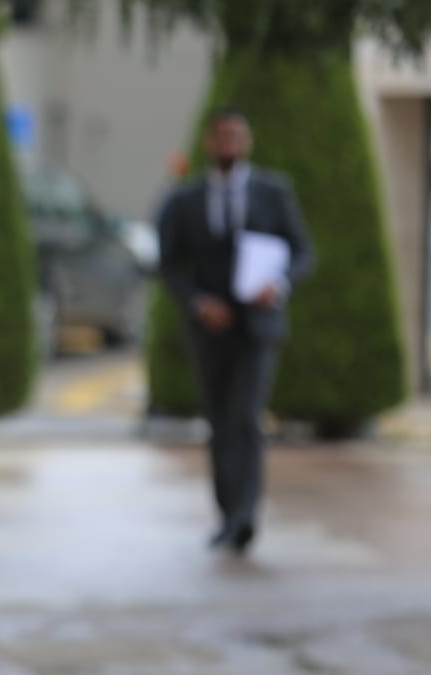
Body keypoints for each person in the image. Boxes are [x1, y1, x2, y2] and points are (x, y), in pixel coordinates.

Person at [157, 108, 315, 554]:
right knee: (219, 420)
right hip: (210, 328)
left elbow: (303, 251)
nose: (230, 143)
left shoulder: (273, 191)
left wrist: (278, 285)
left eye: (238, 135)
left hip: (258, 326)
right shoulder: (186, 199)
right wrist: (198, 303)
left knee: (246, 416)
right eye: (223, 135)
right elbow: (169, 265)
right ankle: (227, 515)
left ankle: (245, 516)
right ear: (210, 142)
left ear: (248, 141)